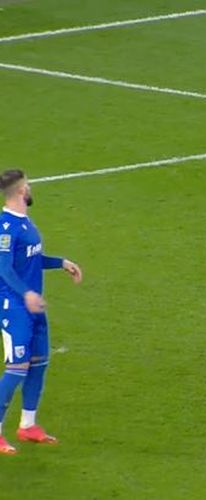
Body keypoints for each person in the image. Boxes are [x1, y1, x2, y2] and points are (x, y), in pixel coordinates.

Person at [0, 169, 83, 456]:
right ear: (21, 191)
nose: (31, 187)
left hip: (34, 307)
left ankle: (28, 425)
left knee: (38, 363)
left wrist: (61, 263)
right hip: (15, 308)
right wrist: (26, 294)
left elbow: (32, 259)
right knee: (16, 369)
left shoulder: (25, 222)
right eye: (28, 184)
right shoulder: (6, 227)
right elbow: (4, 268)